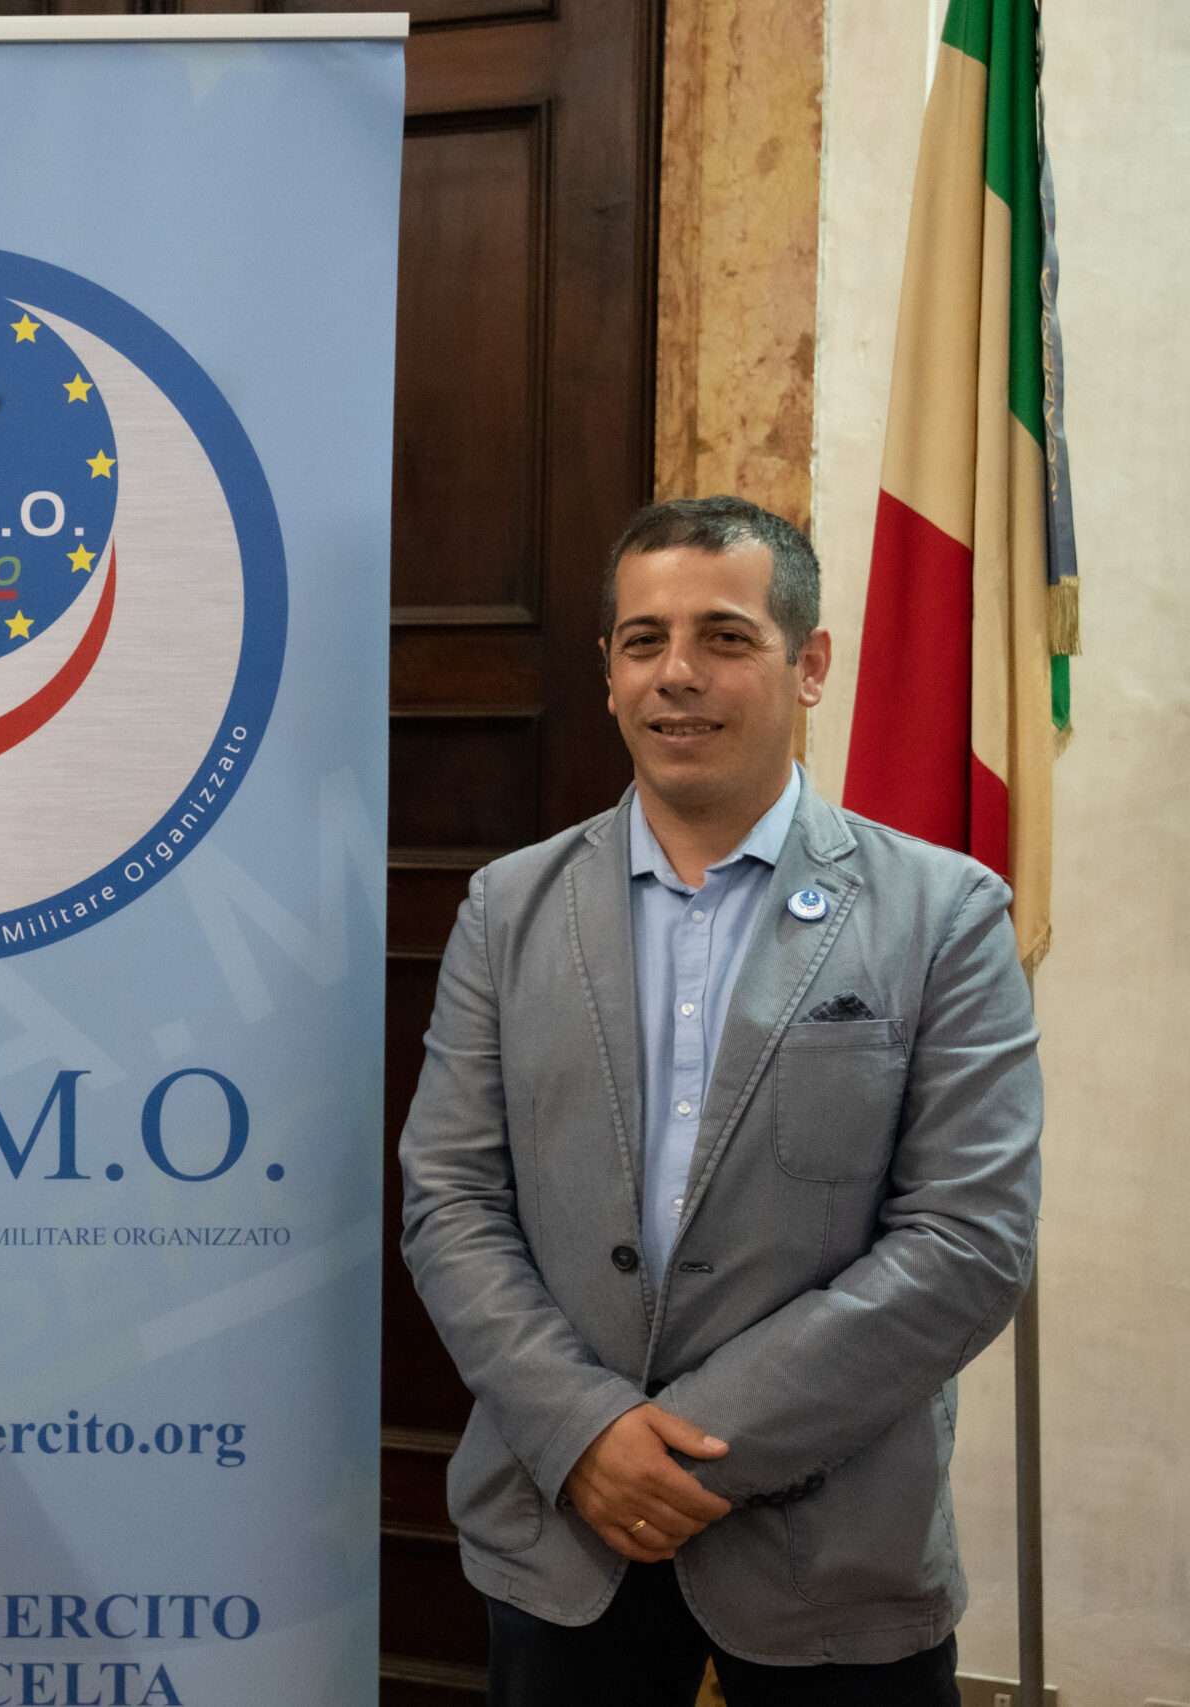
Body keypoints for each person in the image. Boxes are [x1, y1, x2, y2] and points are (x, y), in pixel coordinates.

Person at [397, 496, 1042, 1705]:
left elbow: (969, 1241)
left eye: (725, 637)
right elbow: (450, 1201)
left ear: (810, 665)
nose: (676, 674)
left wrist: (689, 1449)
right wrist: (586, 1432)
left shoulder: (943, 915)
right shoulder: (506, 908)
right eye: (643, 641)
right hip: (561, 1529)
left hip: (836, 1548)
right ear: (607, 672)